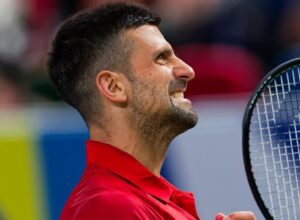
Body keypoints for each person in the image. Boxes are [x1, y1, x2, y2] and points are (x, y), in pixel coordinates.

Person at [47, 2, 256, 220]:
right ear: (113, 87)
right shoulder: (110, 207)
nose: (188, 70)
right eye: (161, 58)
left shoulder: (140, 202)